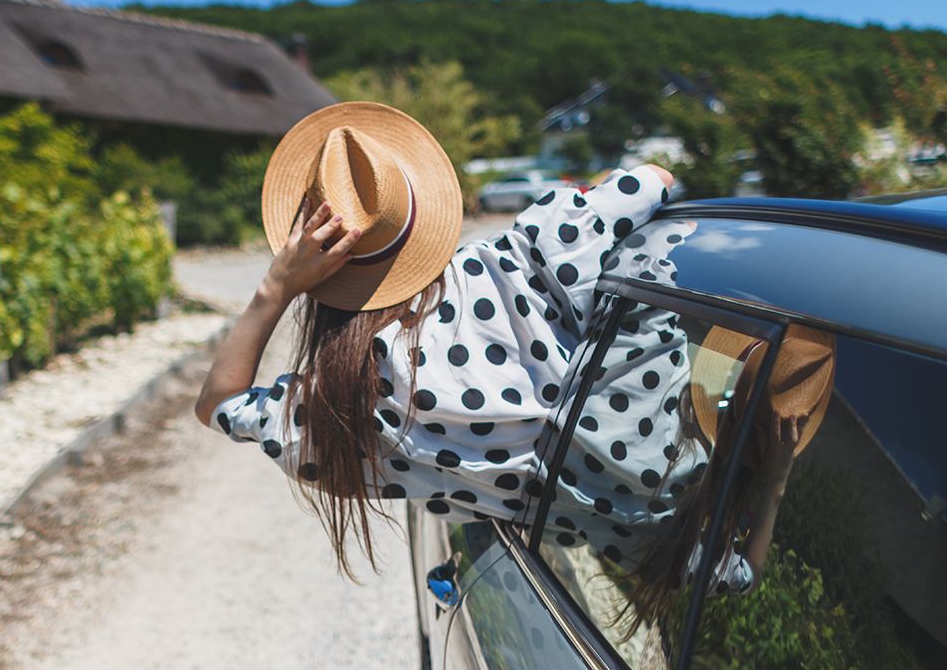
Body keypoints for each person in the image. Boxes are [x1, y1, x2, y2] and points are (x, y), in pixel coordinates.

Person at [194, 103, 825, 603]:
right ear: (423, 209)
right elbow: (653, 180)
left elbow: (219, 404)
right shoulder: (520, 254)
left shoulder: (347, 408)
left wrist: (277, 287)